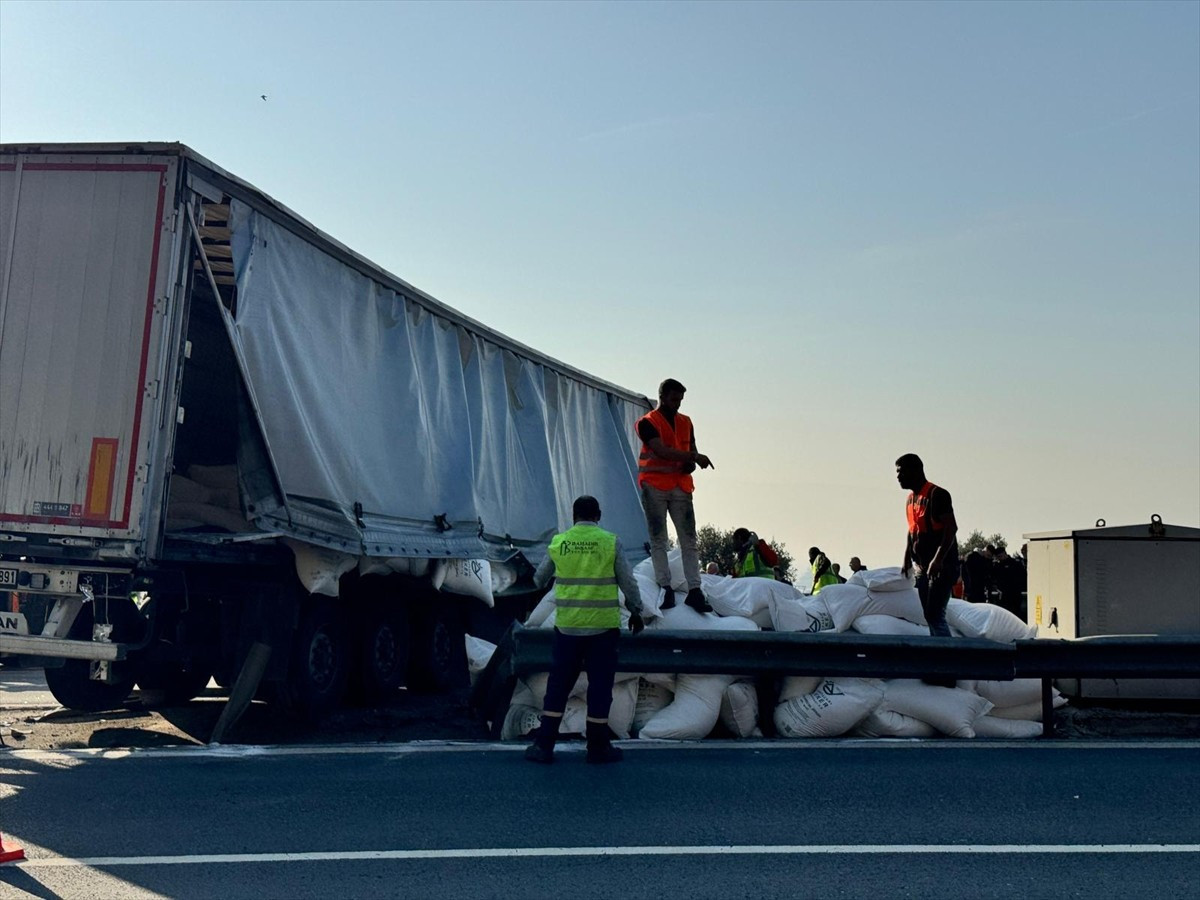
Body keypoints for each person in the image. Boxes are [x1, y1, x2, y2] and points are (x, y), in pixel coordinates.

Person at [525, 495, 645, 765]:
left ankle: (544, 745)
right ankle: (598, 746)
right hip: (602, 629)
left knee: (558, 687)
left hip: (568, 628)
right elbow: (628, 581)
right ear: (598, 515)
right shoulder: (610, 542)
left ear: (573, 516)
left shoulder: (560, 543)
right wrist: (636, 611)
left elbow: (539, 579)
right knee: (600, 688)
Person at [636, 378, 714, 613]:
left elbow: (692, 449)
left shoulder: (686, 422)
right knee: (659, 539)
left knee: (689, 540)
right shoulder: (647, 423)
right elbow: (660, 450)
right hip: (655, 486)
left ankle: (695, 590)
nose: (678, 404)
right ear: (662, 397)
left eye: (680, 400)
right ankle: (665, 587)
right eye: (674, 399)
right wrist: (693, 459)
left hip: (681, 486)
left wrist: (692, 461)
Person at [896, 453, 959, 639]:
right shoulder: (910, 500)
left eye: (901, 472)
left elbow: (951, 529)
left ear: (915, 471)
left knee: (935, 613)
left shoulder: (937, 495)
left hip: (941, 567)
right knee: (929, 615)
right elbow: (912, 530)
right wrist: (907, 558)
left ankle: (945, 655)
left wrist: (938, 559)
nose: (898, 477)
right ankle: (938, 649)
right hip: (922, 568)